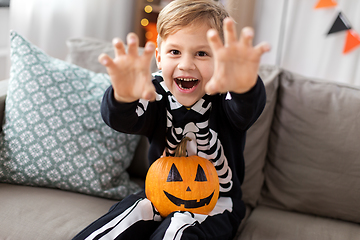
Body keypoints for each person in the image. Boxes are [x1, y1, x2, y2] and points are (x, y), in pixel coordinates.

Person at [72, 0, 270, 239]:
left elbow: (245, 109)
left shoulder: (225, 92)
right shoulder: (153, 90)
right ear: (158, 56)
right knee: (124, 218)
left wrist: (244, 86)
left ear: (220, 60)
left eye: (202, 53)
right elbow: (122, 120)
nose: (186, 64)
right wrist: (122, 96)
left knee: (178, 228)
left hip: (217, 202)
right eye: (174, 52)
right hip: (158, 193)